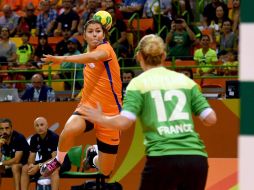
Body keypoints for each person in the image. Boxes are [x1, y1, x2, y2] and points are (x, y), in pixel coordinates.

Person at [81, 34, 217, 190]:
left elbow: (124, 123)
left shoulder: (138, 84)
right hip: (196, 159)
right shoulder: (185, 81)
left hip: (162, 158)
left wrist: (101, 118)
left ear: (139, 56)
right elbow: (210, 119)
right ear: (164, 55)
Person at [39, 19, 122, 179]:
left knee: (106, 171)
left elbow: (93, 56)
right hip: (88, 107)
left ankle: (92, 156)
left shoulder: (106, 49)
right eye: (90, 31)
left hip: (110, 115)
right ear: (84, 35)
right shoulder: (88, 48)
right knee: (69, 129)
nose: (94, 34)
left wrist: (62, 59)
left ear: (104, 34)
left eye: (98, 31)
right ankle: (58, 160)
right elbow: (88, 54)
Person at [21, 117, 59, 190]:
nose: (40, 127)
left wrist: (38, 166)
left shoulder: (54, 137)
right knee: (25, 168)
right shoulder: (34, 138)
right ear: (34, 127)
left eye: (42, 125)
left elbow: (55, 159)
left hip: (60, 162)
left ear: (47, 126)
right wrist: (31, 165)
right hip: (45, 162)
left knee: (53, 169)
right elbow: (32, 157)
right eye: (37, 125)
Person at [0, 118, 30, 190]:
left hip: (23, 164)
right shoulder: (0, 138)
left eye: (7, 128)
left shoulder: (18, 138)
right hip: (8, 164)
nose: (4, 131)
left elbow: (17, 160)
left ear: (11, 128)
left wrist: (1, 163)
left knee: (15, 166)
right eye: (1, 129)